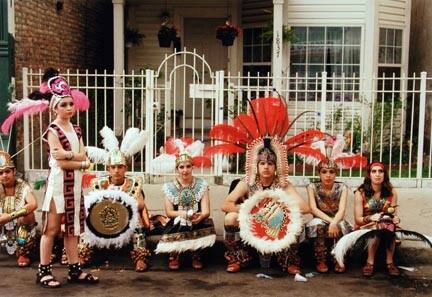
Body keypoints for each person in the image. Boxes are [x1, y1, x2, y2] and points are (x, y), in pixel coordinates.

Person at [24, 69, 98, 288]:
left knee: (73, 229)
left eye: (70, 104)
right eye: (63, 105)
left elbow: (79, 155)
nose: (68, 108)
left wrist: (71, 157)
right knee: (52, 229)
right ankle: (43, 271)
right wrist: (81, 163)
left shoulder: (76, 129)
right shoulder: (53, 130)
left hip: (74, 186)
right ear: (54, 107)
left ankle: (75, 269)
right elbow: (63, 163)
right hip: (58, 186)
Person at [84, 126, 152, 272]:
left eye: (120, 167)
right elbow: (91, 206)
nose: (116, 170)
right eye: (113, 167)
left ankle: (140, 258)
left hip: (127, 221)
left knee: (138, 225)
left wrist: (124, 203)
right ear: (108, 168)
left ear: (125, 168)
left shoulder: (133, 183)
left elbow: (140, 205)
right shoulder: (99, 183)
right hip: (104, 221)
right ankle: (83, 254)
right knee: (86, 223)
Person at [155, 153, 216, 270]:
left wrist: (200, 216)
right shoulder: (169, 187)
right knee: (180, 222)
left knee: (199, 224)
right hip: (177, 218)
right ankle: (174, 254)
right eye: (181, 167)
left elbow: (206, 211)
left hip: (196, 219)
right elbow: (169, 212)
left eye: (188, 166)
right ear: (177, 169)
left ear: (193, 167)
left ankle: (196, 254)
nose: (185, 170)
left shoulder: (201, 184)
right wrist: (183, 214)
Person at [354, 162, 400, 277]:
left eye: (381, 171)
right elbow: (357, 219)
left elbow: (392, 214)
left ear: (385, 174)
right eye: (374, 171)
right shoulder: (361, 193)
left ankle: (390, 262)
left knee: (389, 225)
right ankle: (370, 263)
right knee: (377, 230)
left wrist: (396, 219)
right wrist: (371, 218)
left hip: (385, 225)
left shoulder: (392, 192)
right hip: (366, 226)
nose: (377, 174)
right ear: (369, 175)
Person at [306, 161, 350, 273]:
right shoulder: (312, 187)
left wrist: (335, 222)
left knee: (343, 225)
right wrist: (332, 222)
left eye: (332, 172)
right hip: (320, 218)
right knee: (317, 225)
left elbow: (342, 210)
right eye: (324, 172)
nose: (328, 175)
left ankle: (339, 259)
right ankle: (321, 260)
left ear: (336, 174)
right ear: (319, 174)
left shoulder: (342, 187)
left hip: (337, 218)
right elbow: (313, 209)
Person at [0, 151, 38, 267]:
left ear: (14, 171)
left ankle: (23, 252)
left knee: (27, 215)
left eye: (7, 171)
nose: (4, 175)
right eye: (0, 173)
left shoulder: (23, 185)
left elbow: (33, 204)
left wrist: (10, 216)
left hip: (20, 229)